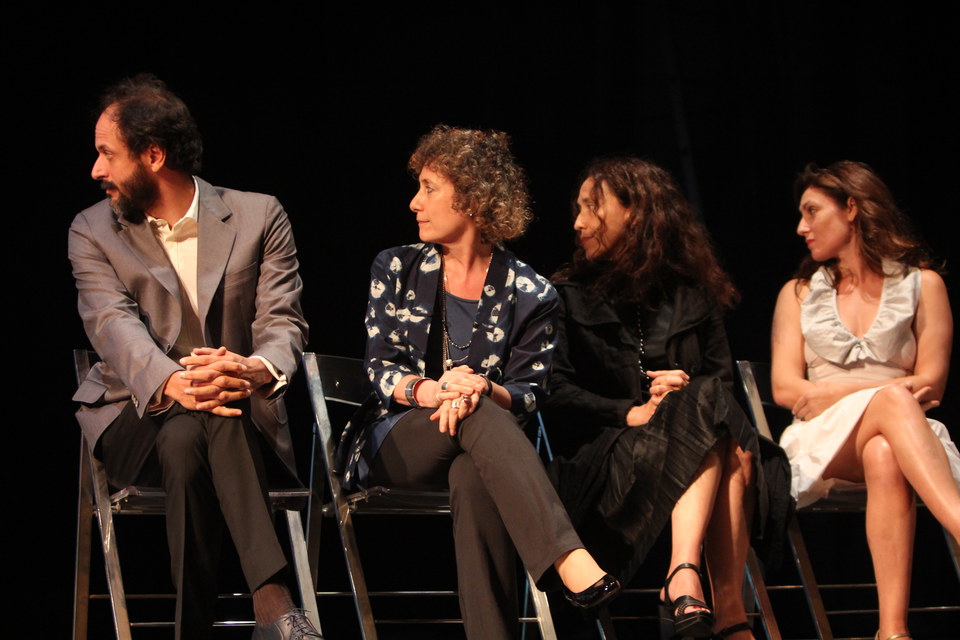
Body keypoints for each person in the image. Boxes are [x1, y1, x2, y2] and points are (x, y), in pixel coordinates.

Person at [335, 125, 619, 639]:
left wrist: (482, 389)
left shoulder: (532, 292)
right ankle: (567, 555)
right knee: (480, 410)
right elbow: (380, 370)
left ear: (470, 198)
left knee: (475, 469)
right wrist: (442, 390)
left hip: (479, 448)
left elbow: (529, 393)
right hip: (395, 439)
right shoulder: (396, 267)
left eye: (429, 188)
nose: (414, 202)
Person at [69, 74, 319, 640]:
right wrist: (175, 382)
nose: (96, 170)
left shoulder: (259, 215)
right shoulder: (91, 230)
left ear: (153, 154)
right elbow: (112, 325)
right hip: (134, 414)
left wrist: (252, 369)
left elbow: (282, 321)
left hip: (231, 419)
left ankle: (192, 629)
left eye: (107, 154)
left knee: (191, 437)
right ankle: (274, 602)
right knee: (198, 414)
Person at [544, 157, 772, 640]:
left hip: (697, 452)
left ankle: (685, 579)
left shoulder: (694, 294)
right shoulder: (566, 295)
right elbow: (554, 392)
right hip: (608, 464)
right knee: (727, 446)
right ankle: (725, 615)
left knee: (710, 408)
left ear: (637, 213)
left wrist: (683, 396)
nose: (578, 222)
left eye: (593, 208)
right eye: (578, 208)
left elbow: (723, 392)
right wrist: (629, 412)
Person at [771, 160, 960, 640]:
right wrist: (886, 390)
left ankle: (892, 631)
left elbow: (932, 383)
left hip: (906, 440)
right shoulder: (797, 294)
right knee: (895, 401)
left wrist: (835, 390)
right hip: (823, 439)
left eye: (812, 211)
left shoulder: (923, 285)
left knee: (884, 450)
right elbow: (787, 390)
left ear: (852, 208)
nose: (801, 227)